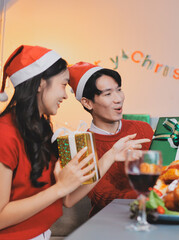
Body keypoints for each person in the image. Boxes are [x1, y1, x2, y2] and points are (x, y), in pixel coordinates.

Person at [0, 45, 149, 240]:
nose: (65, 94)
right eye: (63, 85)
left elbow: (68, 199)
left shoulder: (42, 130)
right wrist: (59, 188)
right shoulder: (5, 133)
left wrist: (112, 154)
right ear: (39, 84)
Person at [68, 62, 154, 216]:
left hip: (152, 216)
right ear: (87, 103)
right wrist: (151, 194)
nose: (118, 99)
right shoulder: (80, 144)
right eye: (108, 94)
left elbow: (165, 172)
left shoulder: (142, 128)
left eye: (119, 90)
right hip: (108, 222)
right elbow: (103, 197)